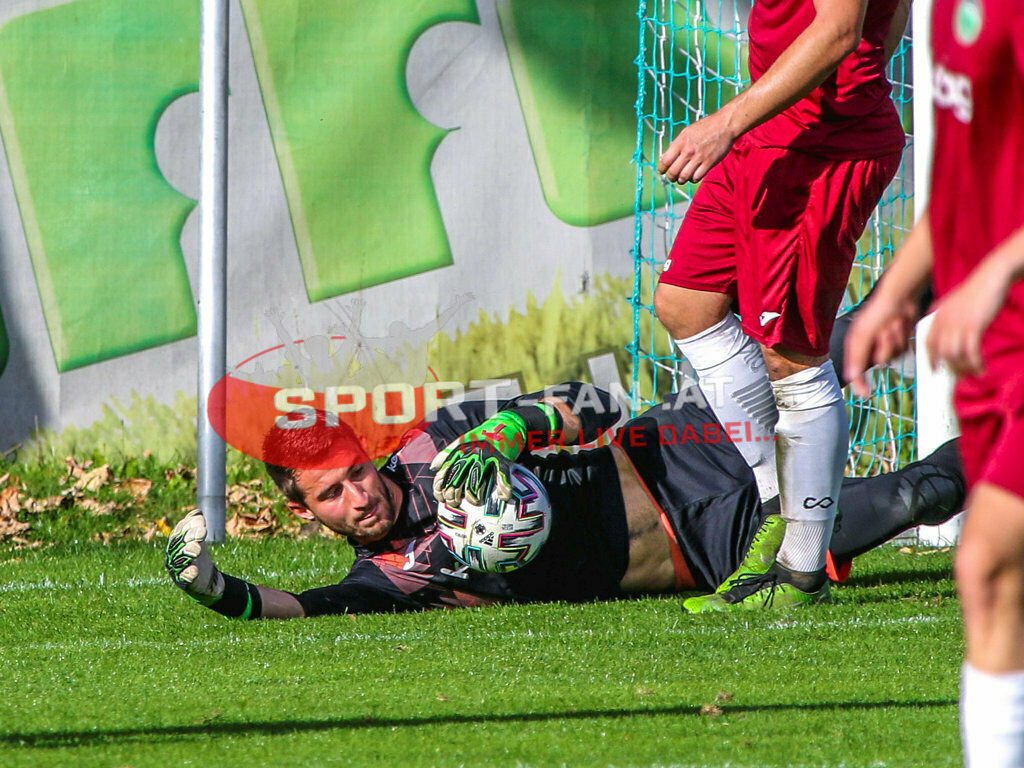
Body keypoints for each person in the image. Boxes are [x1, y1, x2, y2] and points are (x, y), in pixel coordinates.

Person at [165, 377, 964, 619]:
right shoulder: (398, 575)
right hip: (721, 546)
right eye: (332, 497)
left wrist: (508, 433)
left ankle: (972, 260)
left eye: (352, 472)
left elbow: (599, 397)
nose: (357, 499)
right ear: (310, 513)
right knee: (918, 494)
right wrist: (213, 588)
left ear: (363, 451)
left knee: (853, 340)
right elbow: (303, 610)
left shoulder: (438, 439)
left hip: (684, 444)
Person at [650, 0, 911, 610]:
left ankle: (801, 573)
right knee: (685, 303)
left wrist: (726, 122)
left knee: (791, 358)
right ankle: (777, 506)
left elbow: (841, 29)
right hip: (769, 134)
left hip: (818, 151)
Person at [844, 0, 1024, 763]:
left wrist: (998, 269)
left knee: (984, 563)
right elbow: (960, 175)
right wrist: (896, 294)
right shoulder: (950, 10)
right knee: (994, 584)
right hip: (997, 350)